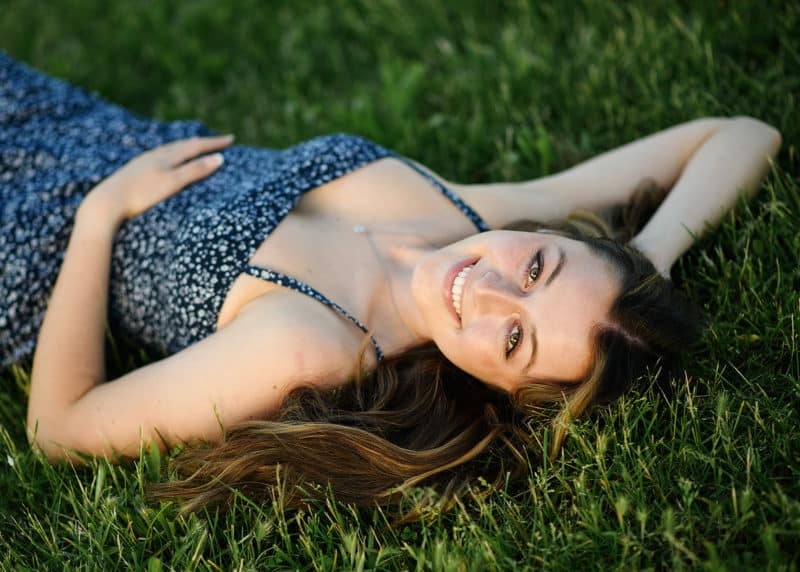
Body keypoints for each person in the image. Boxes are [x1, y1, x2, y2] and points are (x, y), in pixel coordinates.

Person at [2, 53, 781, 510]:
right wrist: (649, 253)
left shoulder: (307, 344)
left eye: (514, 338)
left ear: (497, 386)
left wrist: (100, 216)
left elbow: (61, 427)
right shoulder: (463, 215)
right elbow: (742, 133)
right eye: (538, 268)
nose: (488, 288)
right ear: (548, 237)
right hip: (72, 120)